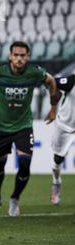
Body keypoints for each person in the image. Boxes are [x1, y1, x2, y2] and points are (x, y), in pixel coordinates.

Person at [0, 41, 58, 217]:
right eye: (16, 55)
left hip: (23, 126)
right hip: (0, 126)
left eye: (23, 55)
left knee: (25, 163)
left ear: (28, 57)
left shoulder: (35, 72)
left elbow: (51, 81)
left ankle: (15, 199)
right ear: (10, 56)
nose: (19, 59)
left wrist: (53, 107)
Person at [48, 74, 75, 205]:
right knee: (57, 160)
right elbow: (51, 81)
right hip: (65, 126)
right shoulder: (71, 81)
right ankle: (56, 181)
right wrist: (53, 105)